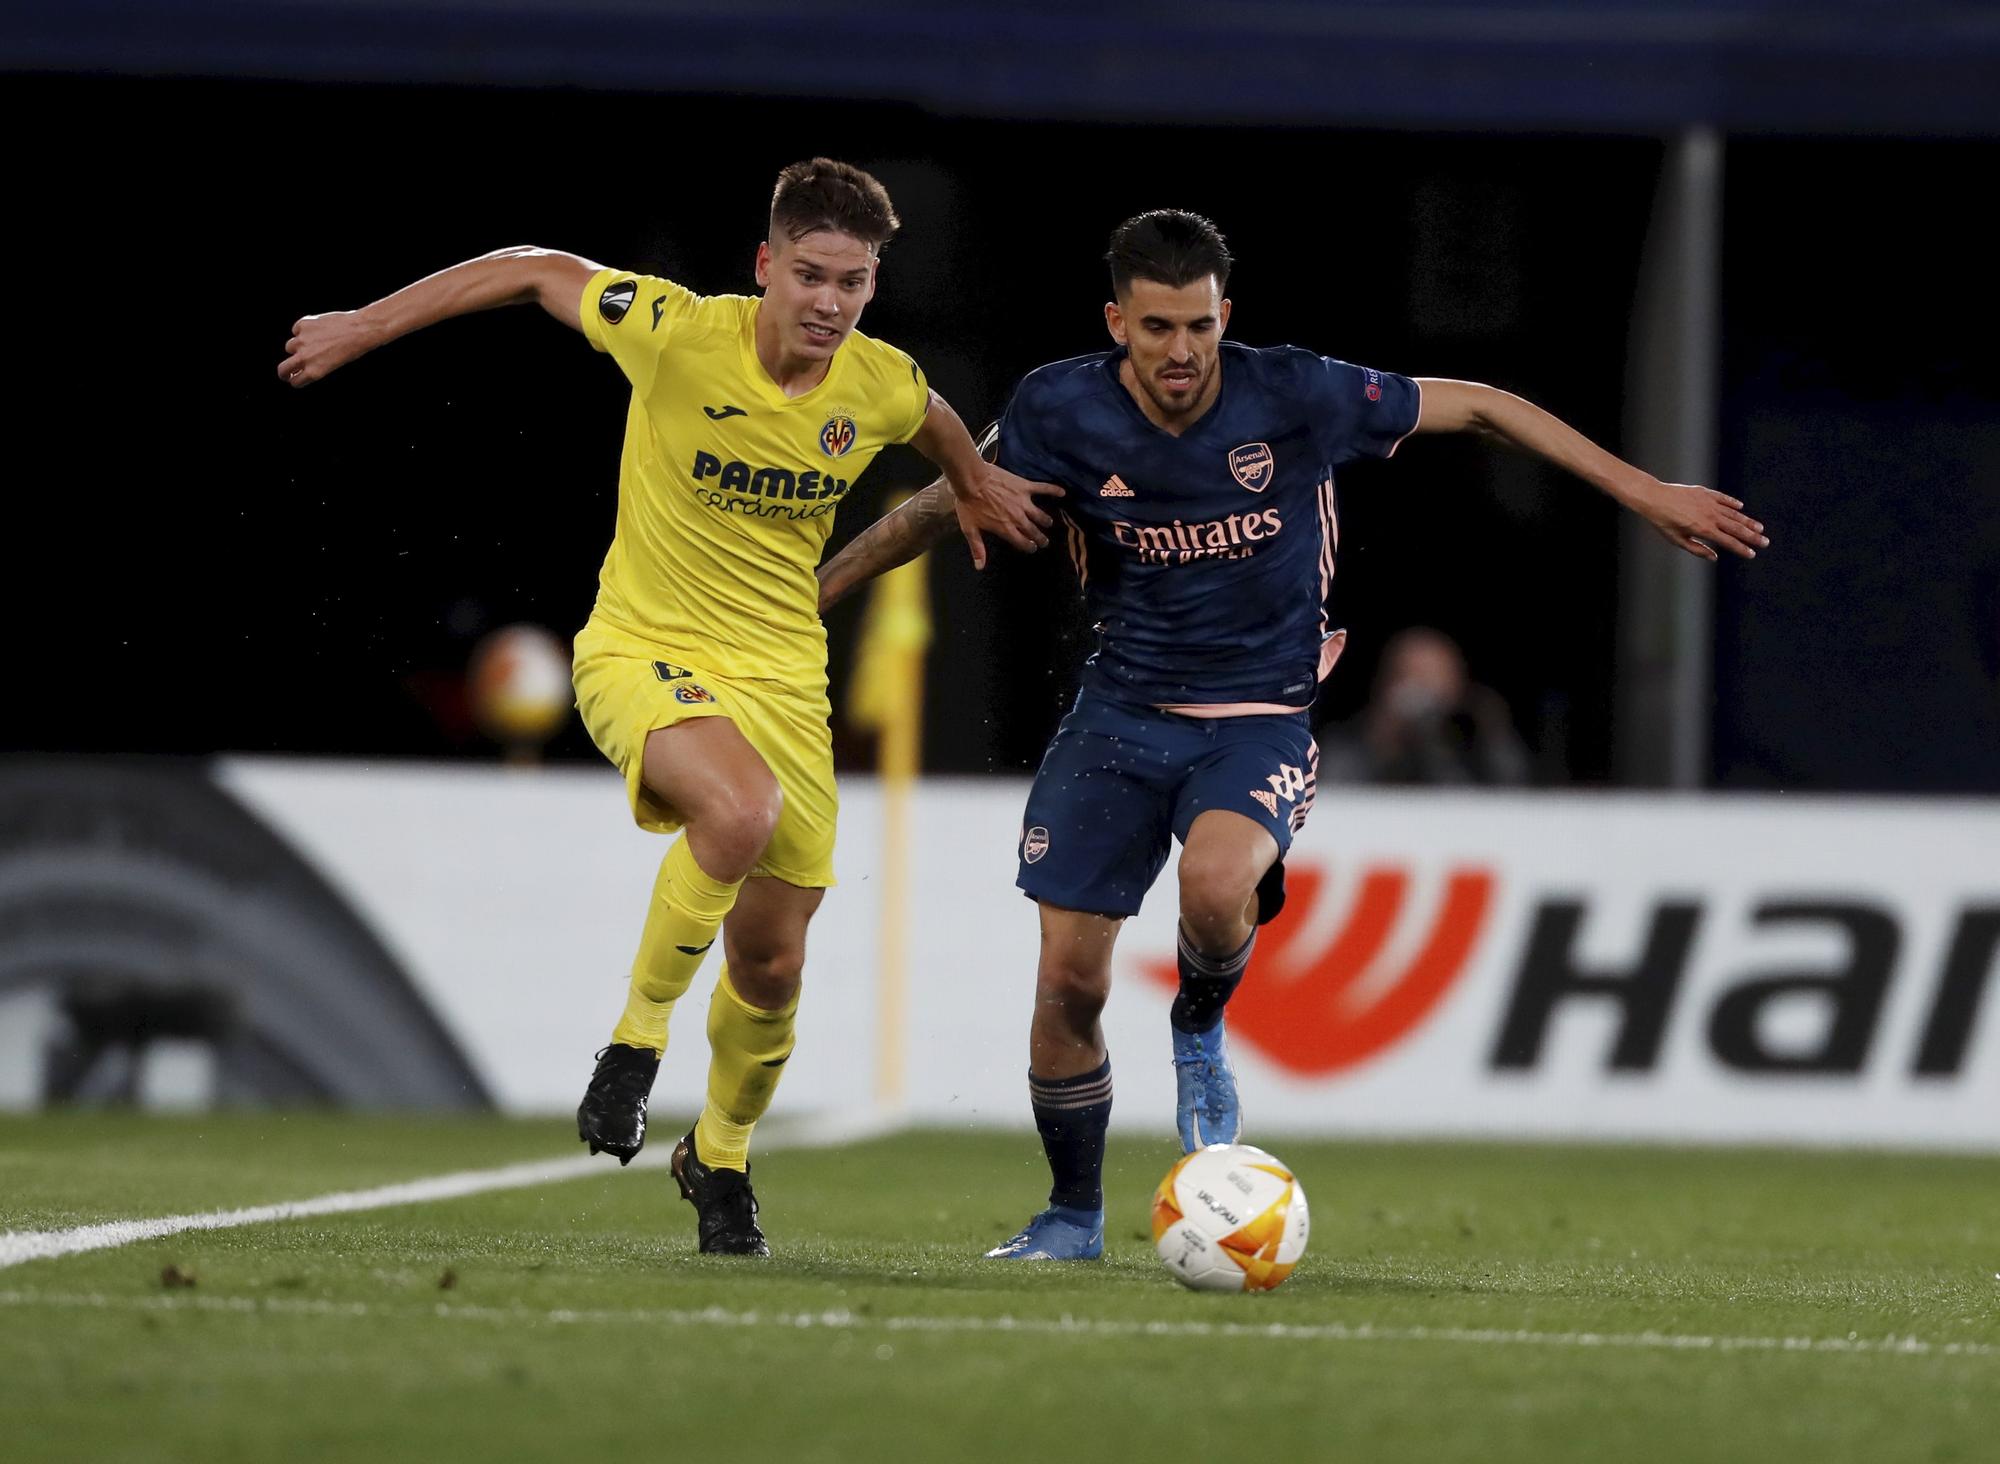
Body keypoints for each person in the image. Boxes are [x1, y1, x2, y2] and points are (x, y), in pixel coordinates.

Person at [817, 209, 1765, 1261]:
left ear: (1226, 318)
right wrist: (815, 591)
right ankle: (1071, 1216)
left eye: (1198, 327)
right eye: (1155, 328)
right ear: (1114, 323)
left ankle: (1197, 1027)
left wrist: (1644, 491)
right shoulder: (1057, 407)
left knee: (1217, 889)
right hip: (1117, 717)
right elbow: (938, 506)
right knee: (1067, 987)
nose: (1179, 352)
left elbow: (1484, 407)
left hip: (1257, 717)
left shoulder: (1298, 393)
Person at [278, 158, 1058, 1256]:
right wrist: (366, 324)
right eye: (810, 275)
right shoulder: (678, 332)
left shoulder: (871, 382)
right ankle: (632, 1050)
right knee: (732, 815)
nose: (829, 302)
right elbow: (531, 269)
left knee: (772, 965)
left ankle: (720, 1160)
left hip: (783, 681)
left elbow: (928, 417)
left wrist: (971, 478)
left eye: (853, 281)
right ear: (765, 267)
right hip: (643, 649)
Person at [1316, 625, 1532, 786]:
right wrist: (1380, 742)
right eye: (1411, 678)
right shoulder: (1349, 742)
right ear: (1386, 684)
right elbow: (1335, 792)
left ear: (1456, 684)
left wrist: (1492, 731)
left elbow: (1516, 785)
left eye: (1432, 678)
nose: (1423, 692)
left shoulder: (1475, 736)